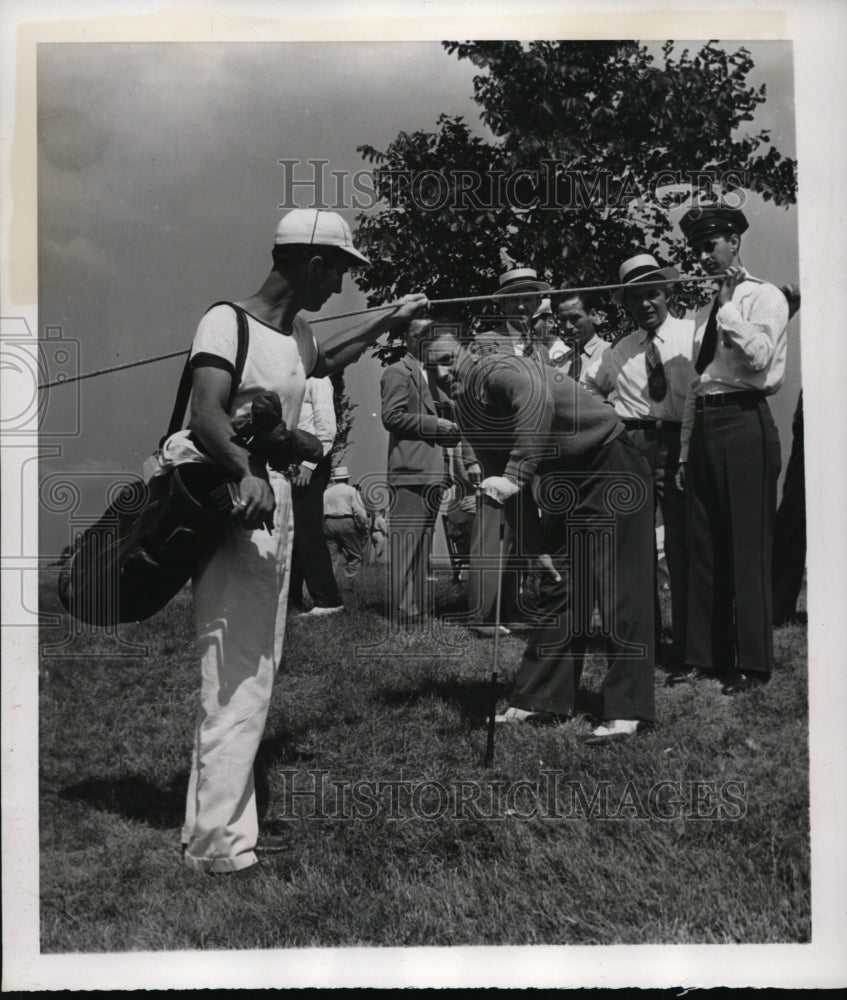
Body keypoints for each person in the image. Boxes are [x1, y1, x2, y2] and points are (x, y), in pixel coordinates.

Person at [160, 207, 426, 873]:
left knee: (253, 667)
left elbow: (324, 359)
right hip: (232, 508)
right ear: (312, 265)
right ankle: (220, 845)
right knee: (237, 673)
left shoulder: (294, 334)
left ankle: (211, 827)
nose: (340, 288)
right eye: (338, 273)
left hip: (269, 502)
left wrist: (387, 319)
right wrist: (245, 470)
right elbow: (207, 413)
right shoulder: (225, 321)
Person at [443, 327, 656, 742]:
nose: (440, 371)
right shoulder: (466, 409)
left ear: (469, 352)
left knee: (619, 587)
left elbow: (534, 409)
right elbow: (503, 484)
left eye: (446, 359)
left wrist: (516, 474)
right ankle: (539, 698)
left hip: (610, 461)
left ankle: (627, 710)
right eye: (430, 363)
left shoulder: (499, 370)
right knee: (561, 585)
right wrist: (535, 547)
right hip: (564, 478)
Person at [675, 201, 789, 694]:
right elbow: (700, 382)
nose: (703, 256)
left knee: (746, 542)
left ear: (734, 242)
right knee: (704, 543)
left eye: (709, 245)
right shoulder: (706, 311)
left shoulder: (763, 297)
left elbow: (760, 358)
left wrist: (726, 308)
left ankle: (753, 663)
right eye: (697, 249)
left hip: (745, 421)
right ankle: (706, 655)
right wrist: (684, 452)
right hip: (705, 424)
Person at [582, 252, 697, 671]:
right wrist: (609, 422)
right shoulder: (619, 350)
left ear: (667, 292)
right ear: (626, 304)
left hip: (680, 444)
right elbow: (587, 389)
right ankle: (641, 640)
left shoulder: (692, 335)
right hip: (632, 447)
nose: (646, 304)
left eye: (652, 294)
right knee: (636, 547)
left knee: (683, 545)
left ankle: (688, 644)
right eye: (636, 298)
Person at [465, 266, 551, 635]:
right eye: (515, 297)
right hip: (494, 450)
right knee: (492, 530)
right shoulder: (484, 341)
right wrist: (471, 456)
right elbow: (466, 402)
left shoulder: (544, 345)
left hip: (530, 451)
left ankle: (512, 609)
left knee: (521, 529)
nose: (523, 304)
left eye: (530, 297)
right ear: (500, 303)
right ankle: (483, 616)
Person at [380, 318, 462, 627]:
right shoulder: (397, 372)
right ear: (407, 338)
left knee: (421, 544)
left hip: (434, 471)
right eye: (419, 334)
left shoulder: (434, 376)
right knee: (406, 542)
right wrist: (435, 425)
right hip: (410, 471)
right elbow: (391, 417)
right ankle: (401, 609)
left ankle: (413, 609)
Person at [288, 375, 345, 618]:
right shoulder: (290, 378)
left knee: (307, 530)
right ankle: (291, 599)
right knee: (294, 532)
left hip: (311, 462)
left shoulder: (317, 380)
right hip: (293, 462)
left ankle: (328, 599)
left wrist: (308, 465)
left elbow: (327, 429)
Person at [323, 465, 370, 598]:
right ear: (346, 478)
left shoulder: (326, 492)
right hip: (346, 521)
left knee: (331, 558)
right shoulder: (351, 491)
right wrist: (364, 526)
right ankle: (347, 585)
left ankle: (329, 586)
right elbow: (359, 511)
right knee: (355, 555)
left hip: (328, 522)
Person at [555, 288, 611, 382]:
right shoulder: (558, 364)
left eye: (575, 318)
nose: (568, 326)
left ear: (593, 315)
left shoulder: (610, 355)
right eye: (564, 319)